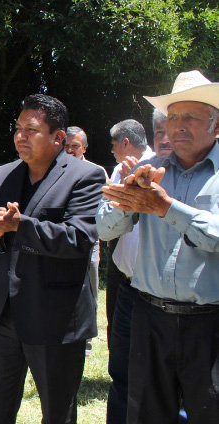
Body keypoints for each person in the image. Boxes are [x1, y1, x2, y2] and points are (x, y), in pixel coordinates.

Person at [0, 94, 106, 424]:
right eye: (18, 129)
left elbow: (78, 239)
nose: (20, 136)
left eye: (31, 130)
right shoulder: (3, 174)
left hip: (55, 317)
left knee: (57, 413)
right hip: (4, 313)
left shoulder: (85, 176)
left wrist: (20, 225)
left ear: (58, 138)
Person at [97, 70, 219, 424]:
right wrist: (128, 202)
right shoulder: (148, 171)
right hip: (150, 317)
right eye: (173, 117)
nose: (178, 127)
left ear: (216, 125)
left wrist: (166, 207)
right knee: (147, 414)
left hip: (210, 324)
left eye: (191, 117)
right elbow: (104, 230)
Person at [101, 119, 156, 424]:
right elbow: (105, 225)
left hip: (156, 291)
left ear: (125, 142)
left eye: (113, 145)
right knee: (120, 367)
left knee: (152, 373)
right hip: (125, 282)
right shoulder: (120, 171)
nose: (113, 151)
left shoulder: (161, 169)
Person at [64, 126, 108, 355]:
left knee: (90, 292)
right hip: (62, 241)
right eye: (67, 146)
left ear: (85, 148)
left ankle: (86, 344)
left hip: (89, 243)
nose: (70, 150)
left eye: (75, 146)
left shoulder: (96, 172)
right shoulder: (54, 170)